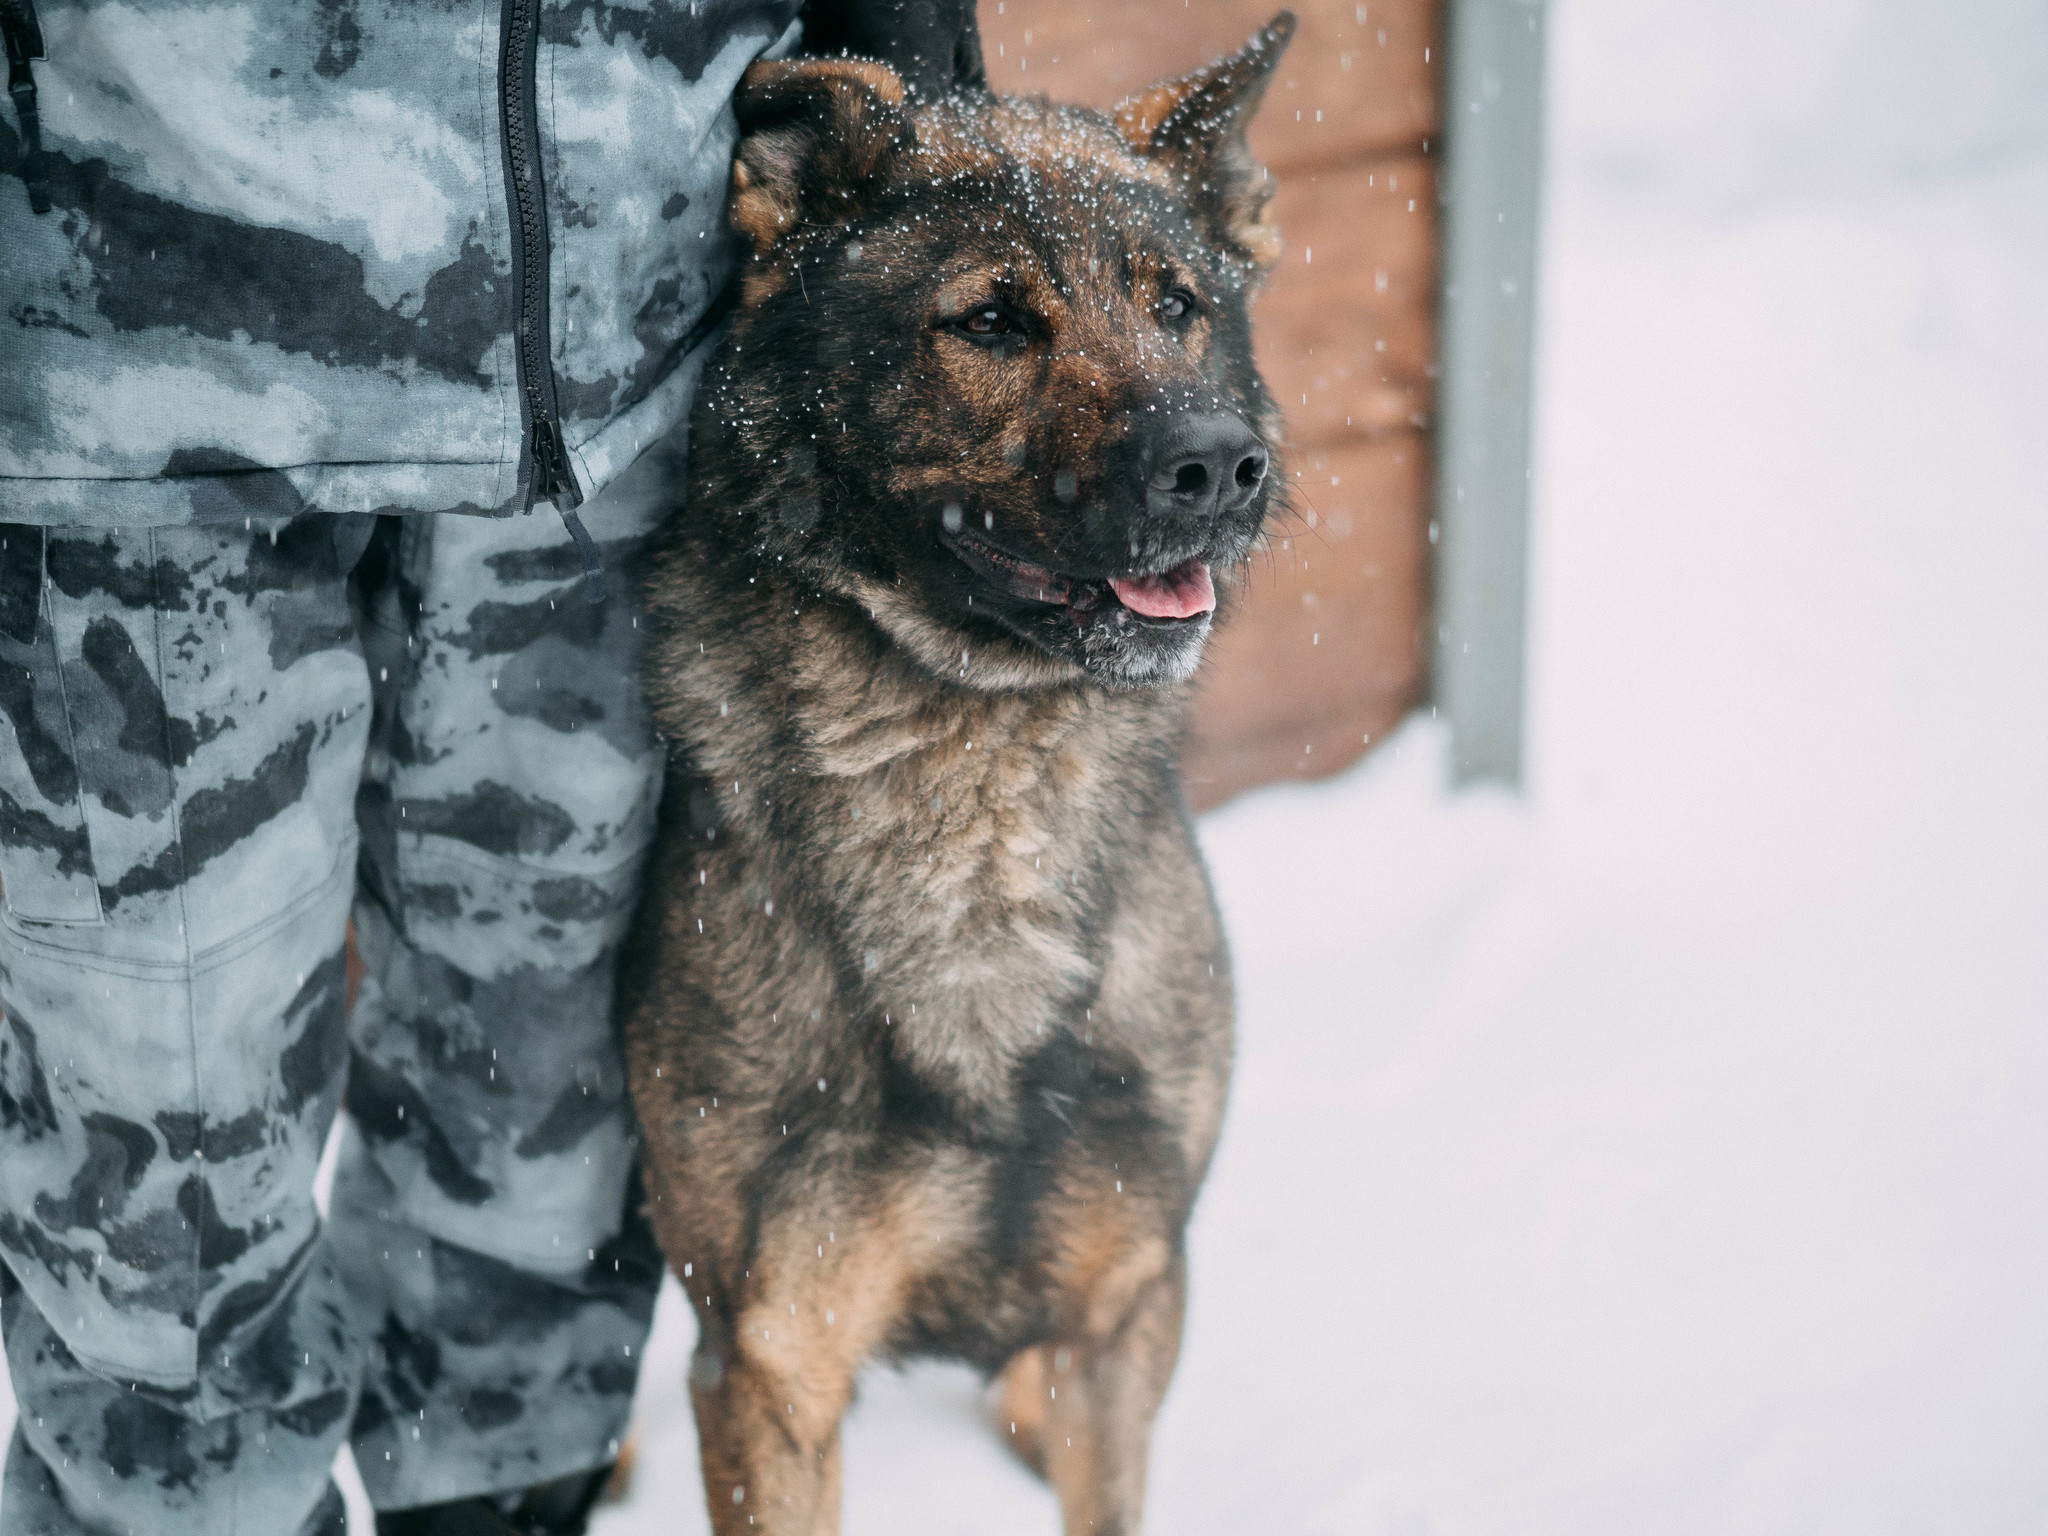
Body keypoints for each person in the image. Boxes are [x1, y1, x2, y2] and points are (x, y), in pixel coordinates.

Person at [0, 2, 983, 1531]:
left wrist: (917, 116)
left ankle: (505, 1506)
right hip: (145, 365)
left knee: (547, 1112)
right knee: (154, 1179)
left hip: (630, 350)